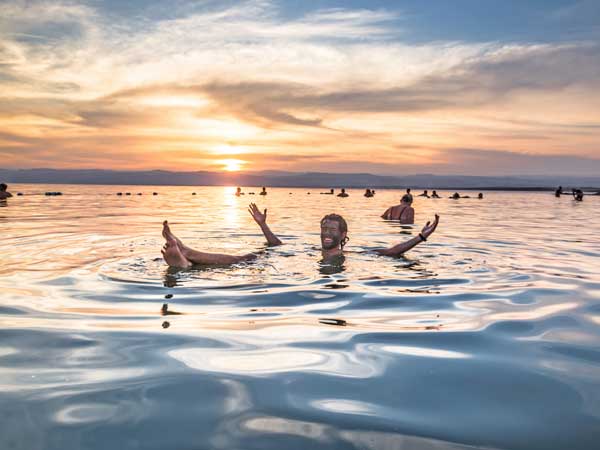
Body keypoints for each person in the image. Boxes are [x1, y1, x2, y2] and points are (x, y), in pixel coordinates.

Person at [161, 203, 439, 268]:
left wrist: (420, 238)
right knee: (248, 258)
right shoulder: (311, 253)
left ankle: (186, 257)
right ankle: (184, 259)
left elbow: (391, 252)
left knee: (245, 261)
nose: (326, 234)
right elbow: (277, 245)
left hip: (300, 274)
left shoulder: (352, 255)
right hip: (294, 266)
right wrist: (262, 225)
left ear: (343, 235)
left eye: (332, 230)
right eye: (323, 229)